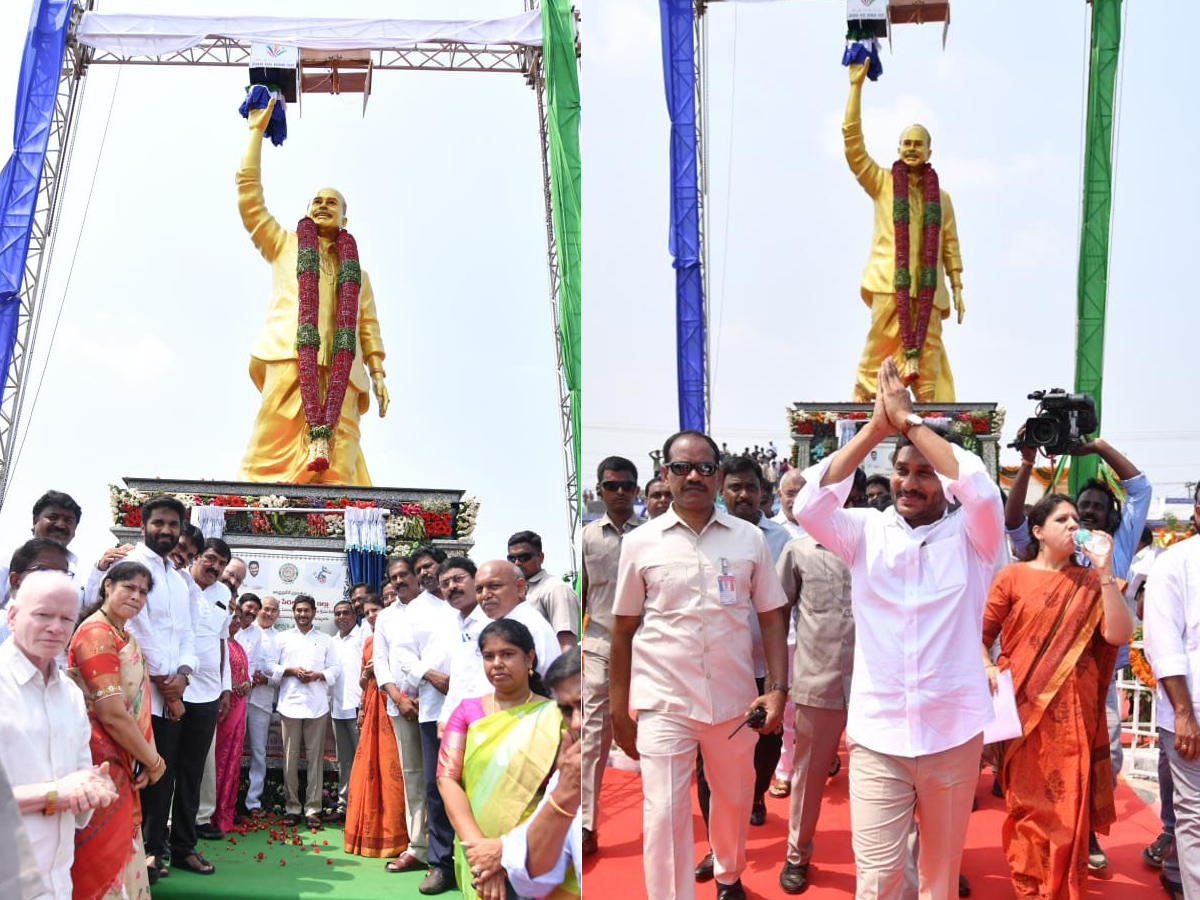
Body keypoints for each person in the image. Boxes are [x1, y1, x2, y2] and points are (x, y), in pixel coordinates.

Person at [793, 359, 1004, 900]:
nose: (909, 483)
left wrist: (910, 423)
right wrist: (875, 429)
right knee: (879, 878)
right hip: (878, 734)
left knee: (938, 877)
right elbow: (808, 505)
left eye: (924, 472)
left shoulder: (974, 538)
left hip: (952, 733)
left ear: (945, 480)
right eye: (901, 471)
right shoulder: (863, 532)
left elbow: (981, 492)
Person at [611, 429, 790, 900]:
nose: (694, 476)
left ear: (719, 476)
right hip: (663, 700)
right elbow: (623, 630)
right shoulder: (640, 543)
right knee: (664, 813)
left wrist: (776, 688)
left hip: (733, 701)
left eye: (705, 468)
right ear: (665, 474)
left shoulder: (749, 539)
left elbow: (772, 617)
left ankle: (729, 875)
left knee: (732, 800)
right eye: (682, 467)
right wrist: (617, 711)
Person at [1004, 434, 1151, 870]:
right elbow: (1013, 522)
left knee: (1098, 758)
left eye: (1095, 509)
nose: (1085, 516)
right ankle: (1041, 835)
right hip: (1040, 679)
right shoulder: (1043, 553)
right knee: (1040, 761)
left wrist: (1098, 447)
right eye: (1077, 510)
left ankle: (1084, 834)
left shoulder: (1116, 549)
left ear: (1111, 518)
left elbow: (1141, 488)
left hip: (1097, 680)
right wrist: (1028, 465)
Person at [983, 494, 1132, 900]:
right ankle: (1030, 888)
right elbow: (980, 638)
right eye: (1062, 519)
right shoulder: (1011, 577)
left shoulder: (1090, 583)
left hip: (1074, 715)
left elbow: (1119, 636)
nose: (1073, 525)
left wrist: (1103, 572)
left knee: (1068, 809)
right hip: (1024, 711)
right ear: (1038, 531)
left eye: (1076, 519)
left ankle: (1063, 889)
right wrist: (987, 666)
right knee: (1028, 808)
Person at [237, 95, 388, 484]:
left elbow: (367, 325)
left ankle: (335, 527)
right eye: (316, 201)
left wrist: (378, 373)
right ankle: (249, 513)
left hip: (344, 371)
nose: (323, 206)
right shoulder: (284, 244)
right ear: (307, 211)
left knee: (341, 462)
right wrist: (255, 132)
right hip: (289, 359)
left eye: (331, 203)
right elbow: (250, 199)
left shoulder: (359, 275)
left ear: (344, 217)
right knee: (265, 455)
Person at [844, 63, 964, 403]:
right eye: (906, 143)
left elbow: (950, 244)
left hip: (930, 290)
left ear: (929, 152)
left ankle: (935, 432)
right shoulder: (881, 182)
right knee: (875, 359)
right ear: (898, 148)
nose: (911, 148)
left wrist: (956, 286)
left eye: (918, 144)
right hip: (888, 283)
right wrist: (855, 88)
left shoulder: (941, 198)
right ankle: (855, 422)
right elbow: (853, 148)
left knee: (929, 365)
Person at [0, 571, 119, 900]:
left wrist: (94, 786)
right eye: (42, 615)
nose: (56, 627)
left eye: (67, 618)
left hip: (57, 881)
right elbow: (60, 791)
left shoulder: (69, 693)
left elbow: (81, 772)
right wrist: (54, 794)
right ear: (12, 616)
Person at [775, 470, 865, 895]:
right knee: (808, 777)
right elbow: (776, 615)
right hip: (818, 680)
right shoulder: (798, 551)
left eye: (850, 494)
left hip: (876, 684)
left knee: (901, 780)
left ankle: (919, 858)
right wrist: (779, 682)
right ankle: (797, 854)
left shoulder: (880, 545)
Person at [437, 619, 562, 900]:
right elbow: (447, 779)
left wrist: (506, 852)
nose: (497, 663)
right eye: (489, 656)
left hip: (533, 847)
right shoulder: (466, 713)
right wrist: (482, 853)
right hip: (474, 846)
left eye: (507, 654)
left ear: (528, 657)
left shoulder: (554, 717)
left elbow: (559, 792)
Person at [68, 562, 166, 900]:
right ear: (107, 586)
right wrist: (153, 762)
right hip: (98, 762)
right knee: (100, 859)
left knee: (121, 852)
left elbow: (131, 709)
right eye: (129, 588)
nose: (136, 596)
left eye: (143, 592)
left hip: (122, 760)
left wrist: (142, 759)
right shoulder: (96, 634)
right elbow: (110, 713)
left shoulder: (123, 635)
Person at [579, 455, 643, 855]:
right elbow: (581, 593)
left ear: (636, 490)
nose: (619, 492)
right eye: (611, 486)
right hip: (601, 643)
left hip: (650, 642)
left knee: (660, 726)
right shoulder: (586, 538)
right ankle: (586, 823)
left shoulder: (654, 534)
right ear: (600, 492)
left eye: (625, 486)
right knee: (593, 731)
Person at [1143, 481, 1200, 900]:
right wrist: (1183, 713)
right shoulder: (1175, 562)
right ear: (1197, 509)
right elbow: (1163, 642)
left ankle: (1180, 875)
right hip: (1192, 712)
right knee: (1195, 816)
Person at [495, 647, 583, 900]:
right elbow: (530, 882)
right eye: (567, 710)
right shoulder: (567, 777)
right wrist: (564, 796)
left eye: (586, 704)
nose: (577, 722)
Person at [381, 554, 450, 875]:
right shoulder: (386, 617)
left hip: (441, 702)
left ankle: (450, 848)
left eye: (403, 574)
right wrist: (399, 697)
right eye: (392, 577)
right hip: (403, 705)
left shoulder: (444, 605)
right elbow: (383, 662)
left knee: (447, 776)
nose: (399, 581)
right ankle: (418, 846)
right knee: (414, 776)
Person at [344, 595, 410, 860]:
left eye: (376, 610)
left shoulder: (401, 638)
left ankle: (399, 835)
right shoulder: (369, 642)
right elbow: (363, 683)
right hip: (373, 709)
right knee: (368, 768)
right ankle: (367, 833)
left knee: (394, 770)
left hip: (394, 705)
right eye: (367, 612)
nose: (371, 616)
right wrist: (368, 673)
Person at [270, 594, 340, 828]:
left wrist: (318, 675)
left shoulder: (325, 640)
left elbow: (335, 669)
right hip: (290, 705)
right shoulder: (282, 638)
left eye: (306, 610)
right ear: (293, 612)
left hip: (317, 705)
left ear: (314, 613)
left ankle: (312, 808)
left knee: (315, 760)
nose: (302, 614)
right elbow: (268, 666)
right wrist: (289, 671)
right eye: (298, 610)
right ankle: (292, 807)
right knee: (289, 759)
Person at [0, 490, 86, 608]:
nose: (60, 525)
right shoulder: (6, 562)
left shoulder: (74, 572)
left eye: (68, 521)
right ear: (35, 521)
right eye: (53, 517)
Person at [212, 599, 253, 835]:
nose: (236, 622)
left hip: (240, 707)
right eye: (233, 618)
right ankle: (211, 811)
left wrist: (246, 684)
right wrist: (231, 687)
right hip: (223, 708)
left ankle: (225, 809)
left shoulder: (237, 645)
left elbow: (242, 675)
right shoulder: (219, 645)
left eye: (239, 618)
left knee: (232, 759)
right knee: (219, 757)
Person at [507, 531, 581, 651]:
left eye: (524, 557)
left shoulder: (555, 589)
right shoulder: (512, 592)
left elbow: (566, 645)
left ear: (540, 557)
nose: (517, 563)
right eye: (511, 558)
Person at [244, 594, 281, 816]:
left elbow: (282, 672)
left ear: (278, 614)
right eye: (265, 609)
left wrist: (265, 679)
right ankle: (223, 800)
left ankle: (253, 802)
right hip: (238, 698)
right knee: (231, 749)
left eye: (273, 610)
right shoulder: (242, 630)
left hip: (262, 700)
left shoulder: (281, 639)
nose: (268, 613)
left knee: (259, 751)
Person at [329, 600, 363, 822]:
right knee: (344, 761)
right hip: (337, 709)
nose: (342, 617)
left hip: (359, 709)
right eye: (338, 613)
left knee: (364, 761)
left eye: (346, 613)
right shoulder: (331, 642)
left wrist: (363, 706)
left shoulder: (363, 638)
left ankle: (362, 809)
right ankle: (344, 807)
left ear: (354, 615)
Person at [772, 469, 807, 539]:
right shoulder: (769, 530)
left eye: (802, 494)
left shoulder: (822, 528)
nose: (796, 500)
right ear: (780, 494)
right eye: (790, 494)